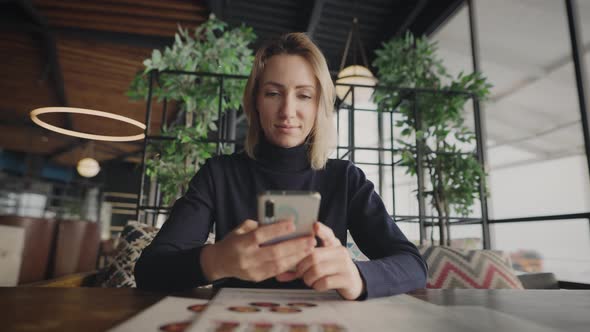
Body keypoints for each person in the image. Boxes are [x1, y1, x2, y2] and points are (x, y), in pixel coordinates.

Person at [135, 32, 427, 300]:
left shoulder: (345, 178)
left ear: (318, 106)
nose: (288, 111)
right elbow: (149, 272)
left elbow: (413, 265)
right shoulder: (219, 174)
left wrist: (358, 276)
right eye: (273, 93)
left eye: (304, 95)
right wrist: (216, 260)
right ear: (256, 102)